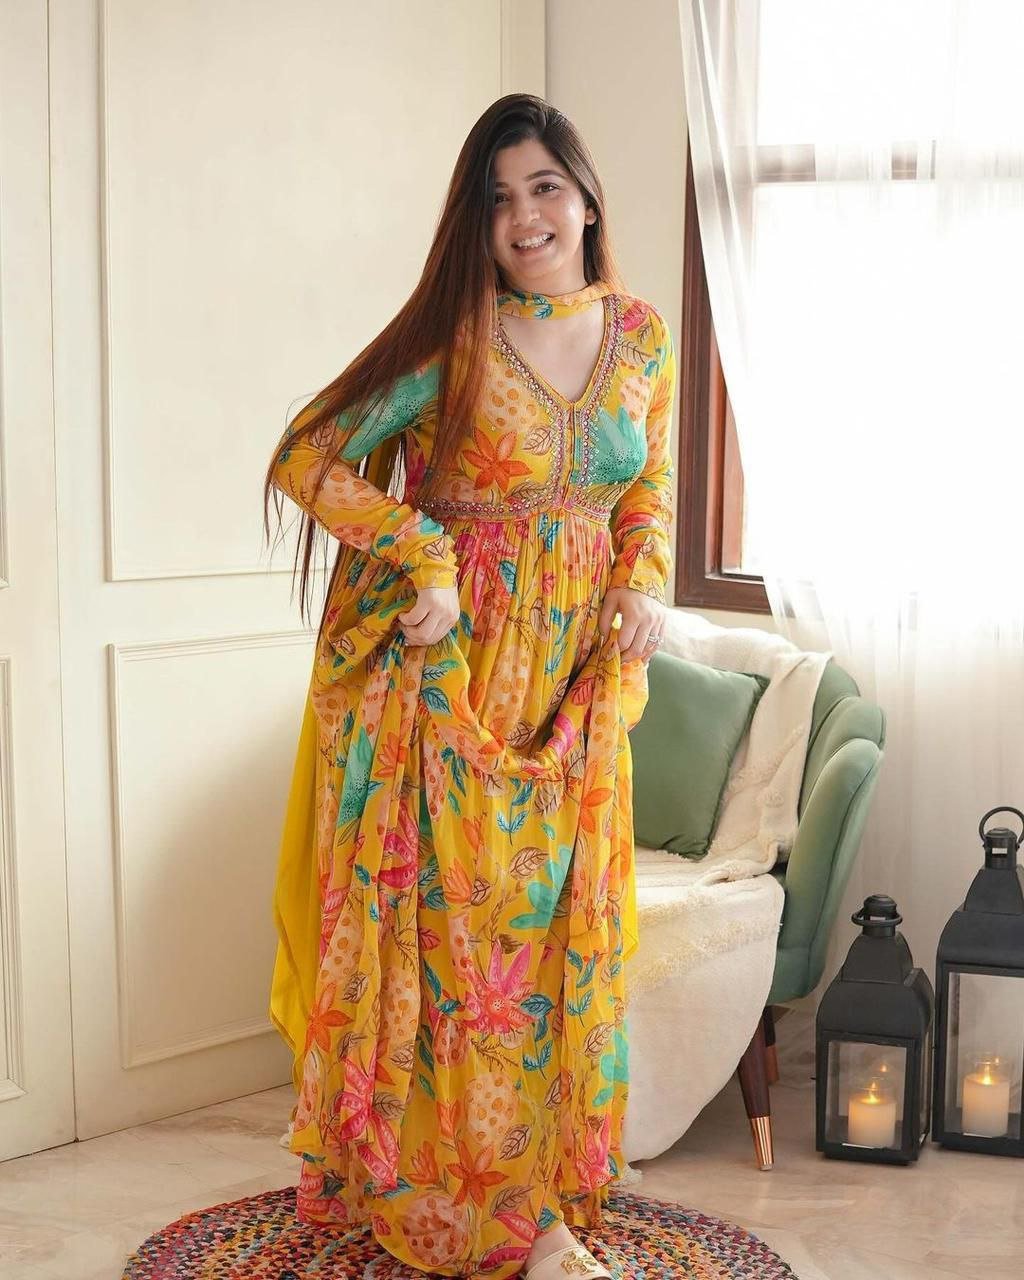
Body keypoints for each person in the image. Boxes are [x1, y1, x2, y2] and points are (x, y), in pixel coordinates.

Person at [264, 93, 676, 1280]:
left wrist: (643, 576)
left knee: (551, 937)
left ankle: (538, 1187)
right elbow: (305, 454)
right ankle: (491, 1218)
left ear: (586, 196)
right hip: (455, 685)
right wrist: (423, 553)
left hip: (579, 687)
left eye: (544, 185)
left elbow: (644, 486)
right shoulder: (456, 340)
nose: (523, 215)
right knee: (460, 948)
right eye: (497, 198)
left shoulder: (642, 338)